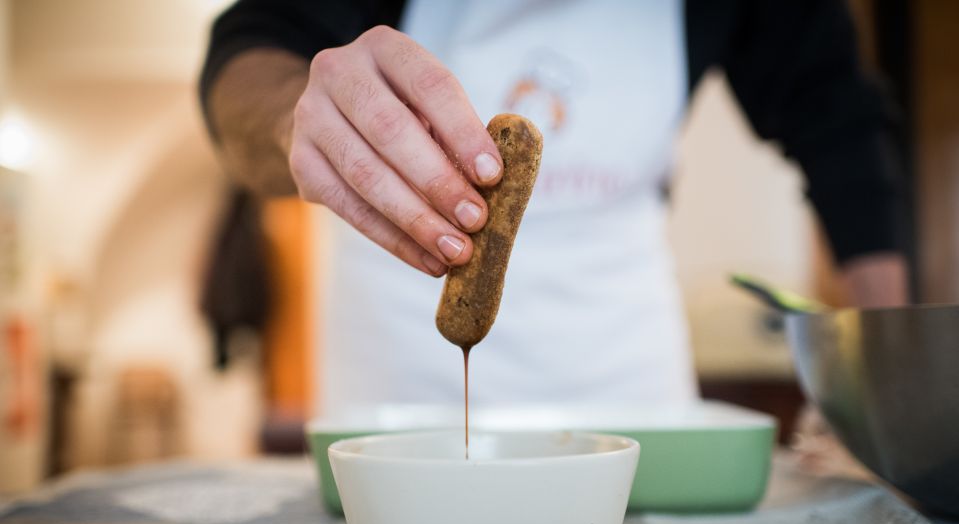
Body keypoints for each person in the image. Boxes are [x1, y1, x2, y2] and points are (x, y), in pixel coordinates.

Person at [200, 0, 909, 416]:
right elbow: (245, 54)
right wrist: (296, 120)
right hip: (402, 374)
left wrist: (886, 390)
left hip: (625, 373)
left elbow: (839, 123)